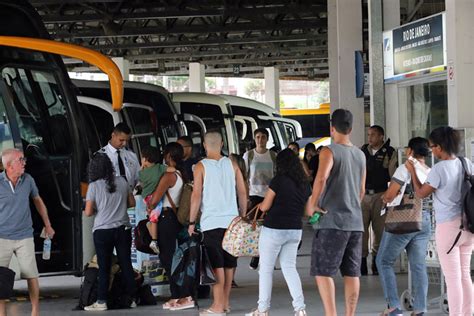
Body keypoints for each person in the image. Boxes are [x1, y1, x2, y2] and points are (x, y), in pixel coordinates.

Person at [408, 127, 474, 316]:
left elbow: (421, 194)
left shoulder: (439, 169)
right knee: (464, 275)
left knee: (453, 279)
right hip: (468, 225)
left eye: (432, 147)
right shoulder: (466, 163)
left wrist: (413, 171)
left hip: (448, 227)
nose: (431, 151)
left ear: (440, 146)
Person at [306, 109, 366, 316]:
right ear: (350, 128)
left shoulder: (328, 151)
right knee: (352, 273)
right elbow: (361, 190)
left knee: (323, 272)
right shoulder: (360, 154)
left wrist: (313, 203)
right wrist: (351, 206)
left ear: (332, 127)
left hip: (332, 222)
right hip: (355, 223)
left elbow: (321, 178)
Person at [188, 131, 247, 316]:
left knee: (216, 266)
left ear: (204, 145)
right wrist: (242, 217)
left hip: (211, 223)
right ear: (221, 143)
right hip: (232, 222)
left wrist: (191, 222)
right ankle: (225, 303)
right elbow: (243, 193)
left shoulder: (200, 166)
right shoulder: (233, 164)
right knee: (229, 265)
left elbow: (196, 195)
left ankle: (217, 307)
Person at [246, 149, 311, 316]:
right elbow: (307, 210)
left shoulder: (279, 180)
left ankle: (263, 309)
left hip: (274, 229)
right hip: (295, 230)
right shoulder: (304, 183)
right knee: (290, 268)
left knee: (266, 269)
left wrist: (260, 207)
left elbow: (265, 206)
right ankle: (300, 308)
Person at [377, 137, 432, 316]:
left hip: (404, 220)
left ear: (410, 151)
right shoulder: (429, 170)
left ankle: (393, 306)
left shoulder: (404, 169)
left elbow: (391, 194)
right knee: (418, 265)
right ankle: (420, 309)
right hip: (424, 221)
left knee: (383, 261)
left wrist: (384, 197)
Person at [0, 148, 55, 316]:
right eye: (20, 160)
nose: (24, 162)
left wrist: (47, 224)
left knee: (32, 275)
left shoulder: (28, 180)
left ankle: (35, 311)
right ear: (9, 165)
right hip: (2, 237)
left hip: (25, 236)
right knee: (0, 279)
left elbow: (38, 201)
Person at [84, 153, 136, 311]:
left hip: (102, 231)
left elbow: (88, 212)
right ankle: (132, 298)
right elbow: (131, 203)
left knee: (104, 266)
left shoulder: (93, 186)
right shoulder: (122, 181)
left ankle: (102, 301)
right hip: (122, 229)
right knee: (126, 263)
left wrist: (99, 209)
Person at [146, 142, 192, 311]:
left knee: (168, 258)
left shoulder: (168, 177)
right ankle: (180, 294)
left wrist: (149, 204)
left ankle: (178, 296)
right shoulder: (181, 174)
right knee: (177, 257)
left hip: (166, 218)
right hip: (177, 218)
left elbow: (155, 199)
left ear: (169, 156)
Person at [360, 125, 397, 275]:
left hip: (381, 195)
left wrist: (390, 196)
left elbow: (394, 175)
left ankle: (376, 261)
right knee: (361, 230)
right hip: (363, 196)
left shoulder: (390, 152)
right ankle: (361, 261)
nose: (370, 138)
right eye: (368, 134)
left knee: (380, 231)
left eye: (373, 135)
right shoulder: (362, 151)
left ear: (381, 136)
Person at [243, 128, 276, 270]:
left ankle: (262, 256)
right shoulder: (249, 155)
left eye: (263, 137)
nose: (260, 140)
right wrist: (245, 197)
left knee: (269, 228)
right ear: (254, 139)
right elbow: (244, 177)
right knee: (256, 229)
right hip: (254, 195)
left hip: (270, 194)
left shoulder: (273, 156)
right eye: (257, 137)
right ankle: (256, 255)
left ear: (267, 139)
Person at [138, 146, 174, 254]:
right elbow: (172, 170)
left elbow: (139, 181)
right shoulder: (159, 168)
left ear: (145, 159)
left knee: (153, 217)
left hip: (146, 198)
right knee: (154, 219)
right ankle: (153, 240)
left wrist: (142, 166)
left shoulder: (141, 173)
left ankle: (153, 235)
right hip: (154, 198)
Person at [98, 122, 140, 190]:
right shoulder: (100, 156)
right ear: (113, 135)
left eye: (127, 141)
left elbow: (139, 178)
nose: (124, 144)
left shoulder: (131, 155)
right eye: (121, 140)